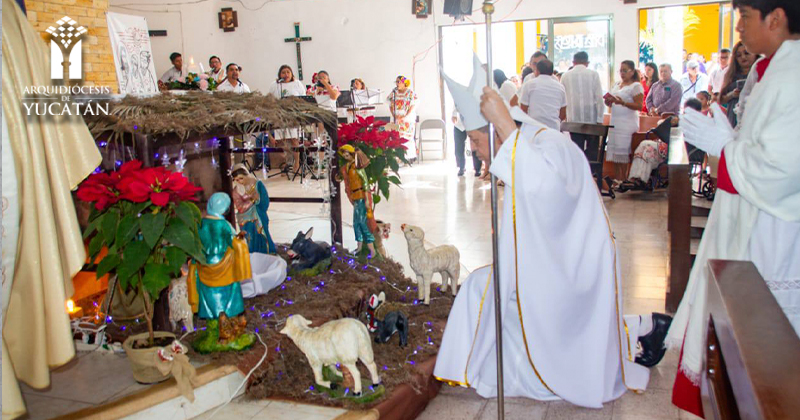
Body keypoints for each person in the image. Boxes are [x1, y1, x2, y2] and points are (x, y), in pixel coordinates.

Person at [437, 57, 668, 408]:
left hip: (575, 267)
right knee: (488, 290)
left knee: (483, 292)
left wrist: (503, 122)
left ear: (495, 130)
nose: (475, 150)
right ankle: (641, 327)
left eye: (474, 140)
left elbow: (546, 189)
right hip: (559, 261)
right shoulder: (526, 146)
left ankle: (636, 331)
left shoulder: (544, 146)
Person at [667, 0, 800, 417]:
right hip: (751, 219)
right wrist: (728, 136)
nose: (738, 27)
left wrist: (724, 147)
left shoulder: (794, 76)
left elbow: (781, 170)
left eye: (744, 16)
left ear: (776, 18)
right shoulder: (770, 69)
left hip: (774, 230)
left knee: (764, 363)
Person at [625, 98, 702, 186]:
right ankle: (637, 178)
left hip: (681, 151)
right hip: (668, 147)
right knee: (645, 147)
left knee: (646, 147)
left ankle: (639, 178)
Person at [605, 60, 644, 187]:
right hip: (615, 121)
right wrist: (609, 101)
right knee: (616, 152)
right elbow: (613, 102)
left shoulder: (636, 86)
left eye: (625, 70)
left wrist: (623, 103)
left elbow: (639, 106)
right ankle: (617, 178)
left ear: (632, 72)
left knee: (623, 152)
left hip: (627, 123)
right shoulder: (617, 84)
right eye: (620, 70)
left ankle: (623, 179)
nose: (622, 73)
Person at [338, 145, 376, 257]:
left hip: (361, 197)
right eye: (344, 154)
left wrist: (367, 200)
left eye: (347, 153)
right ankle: (359, 247)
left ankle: (372, 249)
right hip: (355, 197)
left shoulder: (357, 166)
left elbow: (365, 182)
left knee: (363, 223)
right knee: (356, 224)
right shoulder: (347, 167)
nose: (345, 156)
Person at [268, 65, 306, 172]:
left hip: (293, 115)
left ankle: (296, 163)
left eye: (288, 72)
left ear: (292, 73)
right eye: (283, 72)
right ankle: (285, 163)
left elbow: (303, 98)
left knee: (294, 140)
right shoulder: (275, 85)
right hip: (279, 115)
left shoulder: (297, 83)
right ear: (280, 74)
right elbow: (270, 99)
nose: (286, 74)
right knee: (281, 141)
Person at [231, 164, 276, 254]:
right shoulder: (236, 191)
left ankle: (266, 253)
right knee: (249, 238)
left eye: (241, 178)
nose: (240, 181)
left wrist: (258, 201)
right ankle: (251, 255)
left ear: (246, 175)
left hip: (258, 215)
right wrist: (252, 200)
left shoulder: (257, 184)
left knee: (262, 235)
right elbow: (240, 207)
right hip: (245, 219)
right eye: (237, 180)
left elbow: (265, 200)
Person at [519, 59, 567, 130]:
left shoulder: (529, 85)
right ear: (552, 72)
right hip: (554, 128)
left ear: (537, 70)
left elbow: (523, 109)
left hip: (534, 128)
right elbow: (563, 112)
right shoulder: (560, 87)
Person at [719, 41, 757, 127]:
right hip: (733, 117)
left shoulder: (760, 72)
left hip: (753, 115)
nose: (743, 57)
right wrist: (732, 95)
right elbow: (721, 99)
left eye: (746, 53)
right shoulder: (730, 75)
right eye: (739, 55)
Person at [560, 51, 604, 124]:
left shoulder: (565, 76)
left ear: (573, 62)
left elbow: (561, 99)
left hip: (572, 120)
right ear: (587, 63)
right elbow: (599, 99)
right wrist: (600, 120)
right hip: (591, 120)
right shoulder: (594, 74)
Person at [388, 75, 419, 162]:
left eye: (399, 82)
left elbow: (413, 106)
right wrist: (394, 115)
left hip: (407, 119)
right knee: (396, 137)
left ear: (404, 83)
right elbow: (390, 105)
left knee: (406, 137)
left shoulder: (410, 93)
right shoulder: (394, 92)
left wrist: (405, 116)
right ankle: (398, 158)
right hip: (396, 118)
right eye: (396, 82)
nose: (397, 83)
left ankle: (408, 158)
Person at [452, 109, 482, 177]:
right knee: (458, 148)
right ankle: (461, 168)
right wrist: (454, 114)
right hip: (459, 125)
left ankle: (477, 169)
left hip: (473, 123)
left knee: (475, 147)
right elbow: (456, 105)